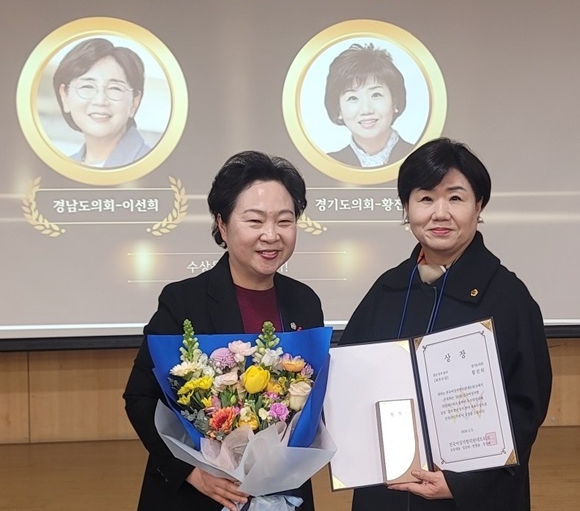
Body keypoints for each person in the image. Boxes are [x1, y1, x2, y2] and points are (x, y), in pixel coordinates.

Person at [339, 138, 552, 510]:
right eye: (425, 198)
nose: (440, 213)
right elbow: (349, 383)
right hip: (388, 490)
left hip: (467, 497)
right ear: (406, 208)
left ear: (478, 206)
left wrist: (463, 483)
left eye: (455, 198)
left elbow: (526, 407)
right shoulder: (387, 289)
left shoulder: (508, 297)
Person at [124, 151, 323, 511]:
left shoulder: (304, 302)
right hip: (202, 496)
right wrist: (191, 472)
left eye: (285, 220)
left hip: (283, 494)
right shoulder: (183, 301)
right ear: (223, 224)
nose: (271, 235)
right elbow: (140, 398)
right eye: (255, 221)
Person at [53, 38, 151, 167]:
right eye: (87, 86)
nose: (100, 101)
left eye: (115, 88)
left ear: (134, 102)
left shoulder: (152, 166)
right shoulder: (61, 168)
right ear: (65, 97)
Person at [324, 43, 412, 167]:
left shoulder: (420, 158)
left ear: (395, 102)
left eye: (376, 95)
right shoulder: (328, 164)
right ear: (339, 110)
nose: (366, 109)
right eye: (352, 98)